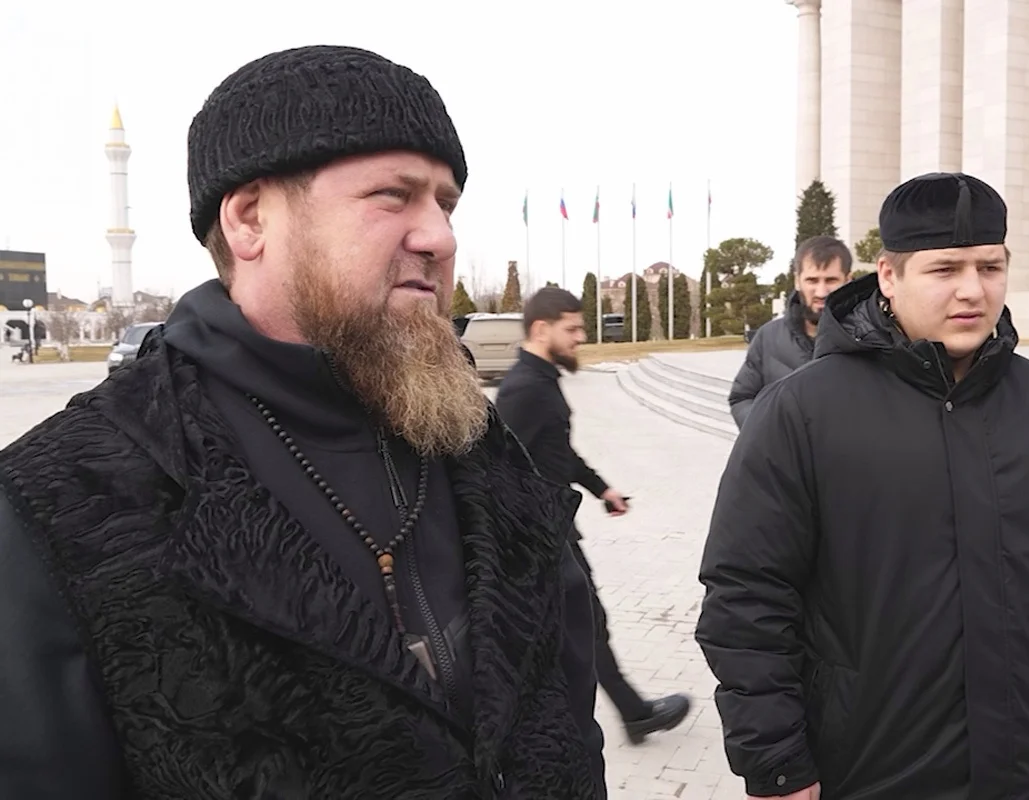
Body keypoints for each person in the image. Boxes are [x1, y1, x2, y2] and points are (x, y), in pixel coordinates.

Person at [0, 45, 605, 799]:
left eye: (445, 203)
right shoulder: (63, 503)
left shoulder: (482, 448)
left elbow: (567, 716)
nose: (440, 237)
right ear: (250, 219)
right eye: (393, 195)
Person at [695, 172, 1029, 800]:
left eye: (990, 267)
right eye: (945, 269)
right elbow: (746, 595)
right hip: (871, 769)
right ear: (889, 276)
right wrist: (776, 759)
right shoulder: (801, 413)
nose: (973, 290)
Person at [495, 287, 692, 745]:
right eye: (572, 329)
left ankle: (621, 715)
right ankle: (614, 718)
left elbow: (557, 452)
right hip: (541, 539)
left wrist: (601, 488)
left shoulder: (541, 381)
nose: (581, 337)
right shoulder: (523, 391)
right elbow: (498, 470)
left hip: (553, 531)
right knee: (578, 626)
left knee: (580, 625)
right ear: (541, 329)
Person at [728, 235, 852, 428]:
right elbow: (741, 398)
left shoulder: (869, 338)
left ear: (848, 280)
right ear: (797, 281)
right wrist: (769, 435)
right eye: (812, 280)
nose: (821, 292)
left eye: (831, 280)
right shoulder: (768, 338)